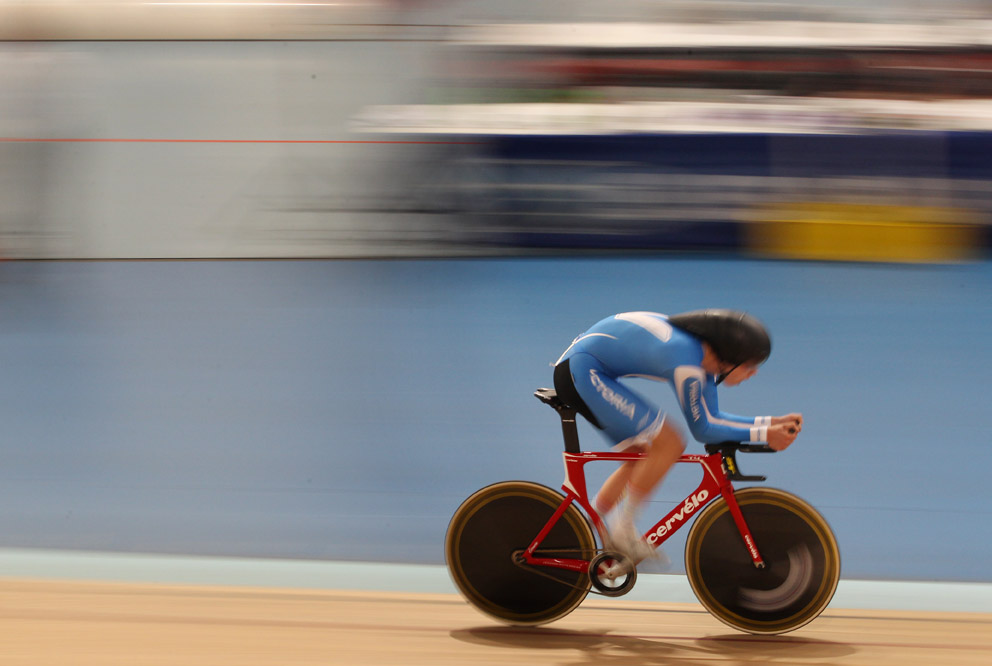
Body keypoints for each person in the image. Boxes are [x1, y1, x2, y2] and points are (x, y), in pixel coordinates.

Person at [553, 309, 802, 563]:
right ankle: (623, 531)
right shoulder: (685, 359)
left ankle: (581, 528)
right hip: (583, 370)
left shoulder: (705, 359)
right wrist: (764, 433)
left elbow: (712, 416)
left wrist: (771, 424)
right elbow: (703, 429)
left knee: (640, 458)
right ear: (730, 356)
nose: (754, 373)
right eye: (750, 365)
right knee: (670, 443)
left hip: (585, 368)